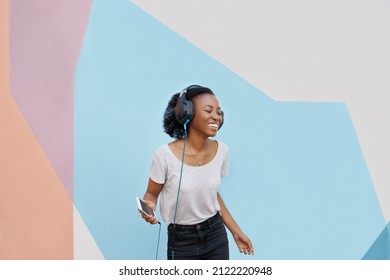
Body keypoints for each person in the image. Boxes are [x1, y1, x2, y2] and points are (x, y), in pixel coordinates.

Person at [139, 85, 254, 260]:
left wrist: (236, 231)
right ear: (187, 113)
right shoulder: (164, 155)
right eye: (208, 110)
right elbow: (151, 194)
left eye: (219, 112)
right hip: (181, 240)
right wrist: (149, 208)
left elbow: (212, 195)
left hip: (215, 234)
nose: (216, 116)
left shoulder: (222, 150)